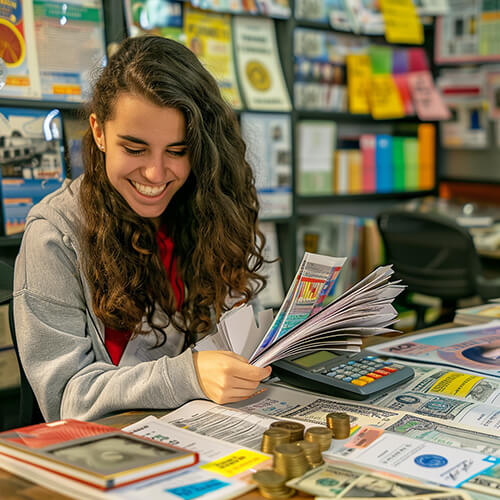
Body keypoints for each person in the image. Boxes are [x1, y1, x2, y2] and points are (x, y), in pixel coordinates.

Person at [13, 35, 272, 422]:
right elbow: (66, 398)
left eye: (177, 151)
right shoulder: (54, 234)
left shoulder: (206, 208)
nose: (155, 173)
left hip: (205, 434)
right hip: (108, 453)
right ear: (99, 132)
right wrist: (190, 374)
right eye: (134, 149)